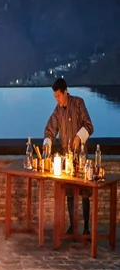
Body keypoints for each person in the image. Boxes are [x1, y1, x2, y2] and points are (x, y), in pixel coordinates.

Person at [43, 77, 94, 235]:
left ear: (66, 92)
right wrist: (47, 143)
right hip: (67, 157)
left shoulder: (79, 103)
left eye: (59, 95)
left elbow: (89, 125)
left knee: (85, 192)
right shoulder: (58, 111)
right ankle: (72, 226)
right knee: (69, 192)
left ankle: (86, 227)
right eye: (55, 97)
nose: (57, 99)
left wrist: (79, 137)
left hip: (81, 156)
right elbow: (50, 130)